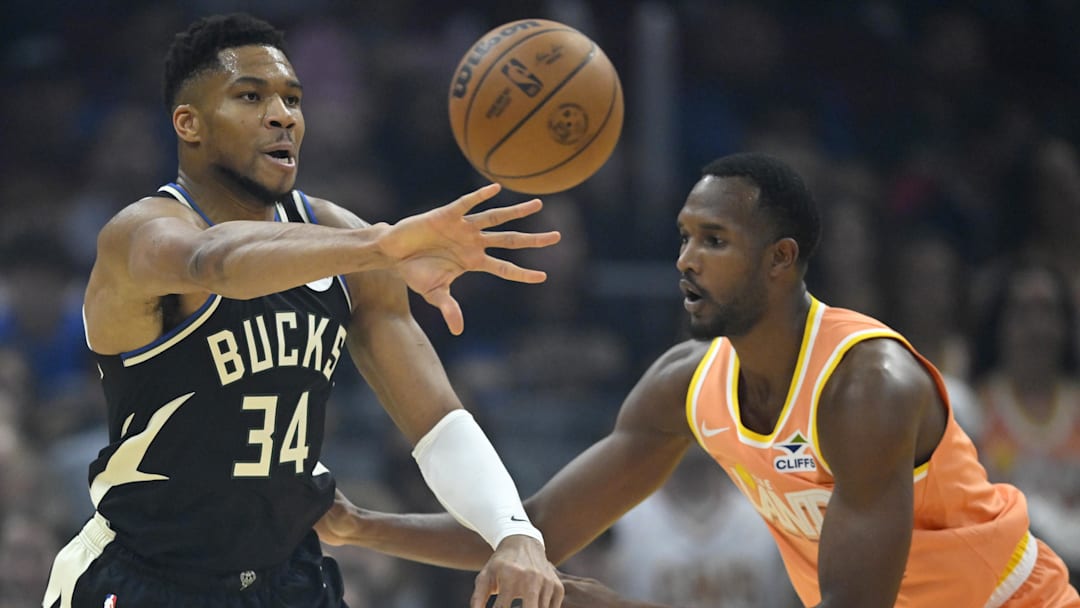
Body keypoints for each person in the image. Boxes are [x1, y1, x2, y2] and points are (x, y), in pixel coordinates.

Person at [316, 152, 1080, 607]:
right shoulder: (685, 383)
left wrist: (596, 603)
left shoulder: (866, 385)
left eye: (713, 241)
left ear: (781, 259)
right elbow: (533, 529)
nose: (685, 260)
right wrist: (359, 526)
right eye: (684, 238)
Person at [42, 13, 564, 608]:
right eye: (250, 96)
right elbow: (215, 263)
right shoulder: (142, 233)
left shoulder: (339, 234)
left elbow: (437, 422)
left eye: (293, 98)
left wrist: (514, 533)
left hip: (286, 580)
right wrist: (380, 246)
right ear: (189, 123)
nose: (282, 114)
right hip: (145, 578)